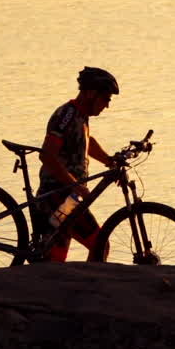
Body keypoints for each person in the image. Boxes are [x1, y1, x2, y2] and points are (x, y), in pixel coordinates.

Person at [37, 66, 120, 262]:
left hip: (67, 196)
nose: (107, 105)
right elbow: (47, 155)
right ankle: (93, 289)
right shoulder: (66, 115)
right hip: (58, 196)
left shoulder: (80, 116)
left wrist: (108, 160)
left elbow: (85, 141)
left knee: (55, 261)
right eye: (105, 98)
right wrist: (74, 184)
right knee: (100, 244)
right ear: (91, 93)